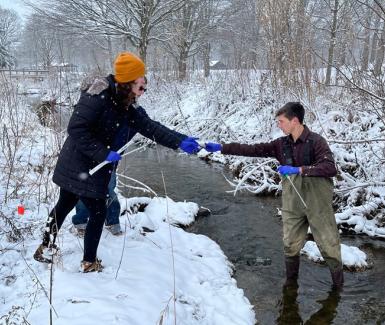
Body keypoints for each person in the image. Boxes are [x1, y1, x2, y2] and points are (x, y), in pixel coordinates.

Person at [33, 52, 200, 272]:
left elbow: (151, 128)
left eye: (144, 86)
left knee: (66, 203)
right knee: (95, 210)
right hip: (82, 162)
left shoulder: (127, 105)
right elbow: (76, 129)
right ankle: (89, 262)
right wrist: (103, 153)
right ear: (127, 83)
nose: (143, 91)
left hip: (92, 164)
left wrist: (180, 141)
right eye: (141, 86)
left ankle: (45, 247)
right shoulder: (98, 96)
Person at [205, 102, 344, 289]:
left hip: (317, 203)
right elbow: (253, 150)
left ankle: (338, 287)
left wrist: (299, 169)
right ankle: (291, 284)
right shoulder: (281, 144)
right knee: (290, 243)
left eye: (281, 121)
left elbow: (330, 168)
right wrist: (222, 148)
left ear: (295, 121)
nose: (278, 125)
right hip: (292, 203)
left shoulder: (316, 141)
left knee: (328, 244)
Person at [72, 170, 122, 236]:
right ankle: (81, 225)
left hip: (108, 165)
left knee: (109, 191)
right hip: (87, 165)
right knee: (84, 190)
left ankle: (112, 224)